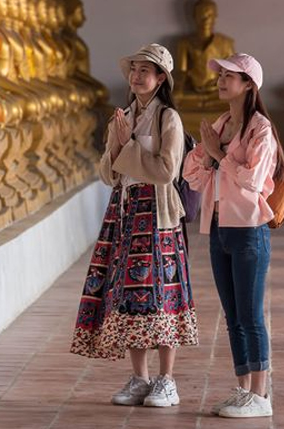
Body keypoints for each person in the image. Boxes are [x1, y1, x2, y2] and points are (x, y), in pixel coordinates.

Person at [70, 44, 198, 407]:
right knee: (129, 296)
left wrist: (127, 147)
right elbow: (107, 174)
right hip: (126, 214)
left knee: (162, 294)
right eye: (135, 69)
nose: (138, 76)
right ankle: (139, 378)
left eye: (147, 70)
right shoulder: (123, 115)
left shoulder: (167, 118)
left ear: (161, 79)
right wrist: (117, 145)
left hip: (157, 216)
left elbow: (165, 171)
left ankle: (167, 380)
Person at [183, 53, 284, 418]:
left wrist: (217, 156)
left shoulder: (261, 129)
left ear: (248, 85)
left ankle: (261, 393)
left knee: (251, 315)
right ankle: (243, 389)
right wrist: (212, 155)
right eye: (221, 75)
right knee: (232, 316)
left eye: (230, 76)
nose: (222, 80)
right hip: (218, 227)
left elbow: (254, 180)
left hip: (248, 231)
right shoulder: (223, 124)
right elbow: (192, 171)